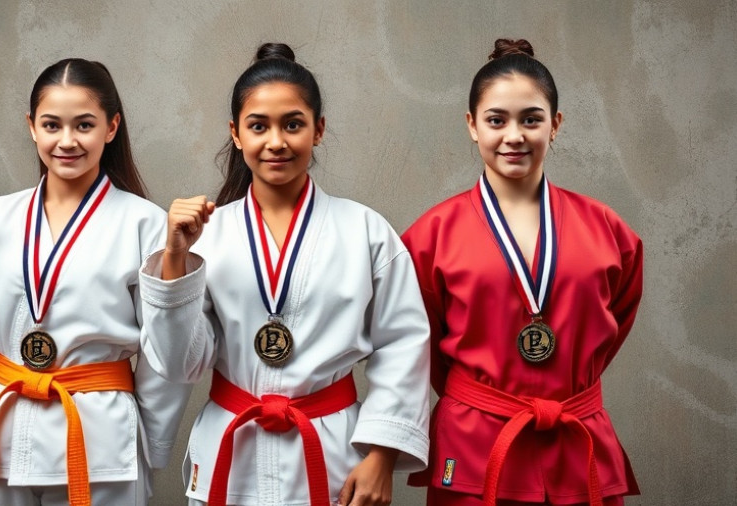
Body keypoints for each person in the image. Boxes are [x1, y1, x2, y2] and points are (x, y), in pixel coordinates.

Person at [138, 43, 431, 506]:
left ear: (319, 130)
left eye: (293, 124)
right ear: (236, 134)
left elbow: (404, 342)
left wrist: (382, 455)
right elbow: (179, 363)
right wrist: (174, 257)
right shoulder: (207, 237)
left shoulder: (365, 231)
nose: (276, 142)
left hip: (334, 452)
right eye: (259, 126)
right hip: (232, 449)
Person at [0, 58, 191, 506]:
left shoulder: (147, 225)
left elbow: (166, 357)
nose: (66, 141)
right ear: (32, 127)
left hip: (100, 443)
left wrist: (149, 445)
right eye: (52, 125)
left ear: (111, 127)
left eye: (84, 125)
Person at [402, 39, 642, 506]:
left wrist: (560, 378)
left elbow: (614, 323)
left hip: (575, 436)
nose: (514, 135)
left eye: (531, 119)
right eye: (497, 120)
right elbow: (419, 343)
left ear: (556, 125)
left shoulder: (609, 230)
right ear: (472, 126)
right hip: (475, 444)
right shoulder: (429, 236)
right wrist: (479, 394)